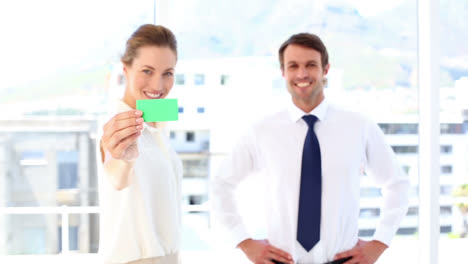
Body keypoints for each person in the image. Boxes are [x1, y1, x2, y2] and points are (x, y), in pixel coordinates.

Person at [211, 33, 410, 264]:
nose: (302, 74)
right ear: (283, 72)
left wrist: (379, 243)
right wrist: (244, 242)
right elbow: (221, 184)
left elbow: (397, 185)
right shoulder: (261, 131)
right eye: (293, 66)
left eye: (310, 65)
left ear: (325, 70)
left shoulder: (359, 126)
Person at [98, 24, 182, 264]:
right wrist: (123, 159)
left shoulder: (156, 119)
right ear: (126, 69)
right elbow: (116, 176)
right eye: (147, 71)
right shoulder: (116, 123)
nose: (158, 85)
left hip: (169, 256)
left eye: (167, 73)